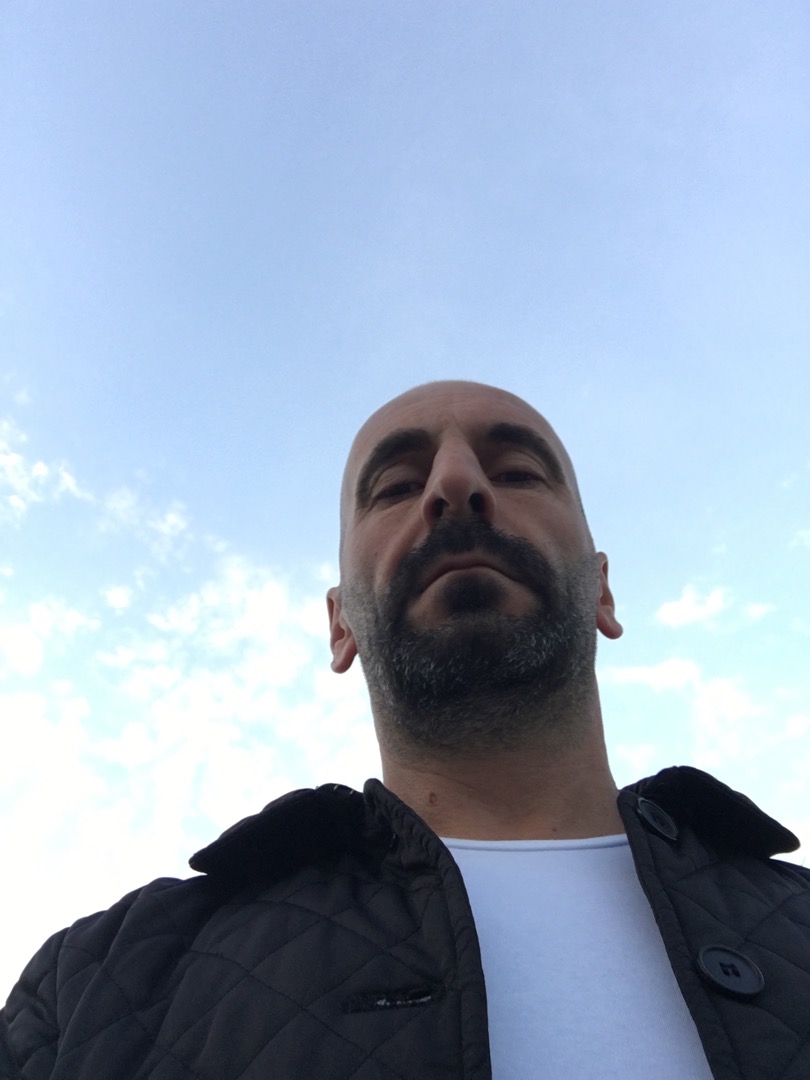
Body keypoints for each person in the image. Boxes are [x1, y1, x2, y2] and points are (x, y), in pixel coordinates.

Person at [1, 380, 808, 1080]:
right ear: (340, 624)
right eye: (393, 487)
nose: (455, 483)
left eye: (518, 472)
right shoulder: (96, 983)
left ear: (602, 590)